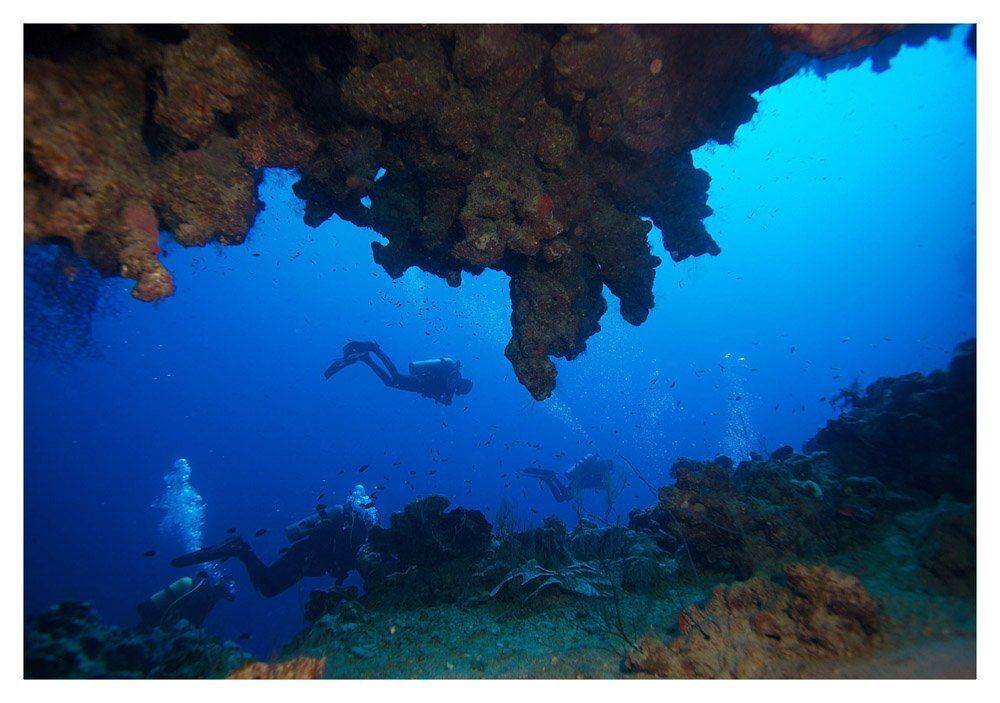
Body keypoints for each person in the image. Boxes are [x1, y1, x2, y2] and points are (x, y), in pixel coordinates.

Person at [170, 486, 376, 598]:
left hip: (303, 556)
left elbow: (339, 564)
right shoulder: (358, 538)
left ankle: (240, 550)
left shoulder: (352, 532)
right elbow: (344, 560)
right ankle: (240, 548)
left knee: (267, 586)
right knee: (268, 587)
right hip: (304, 559)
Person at [324, 340, 472, 405]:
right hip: (423, 382)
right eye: (462, 390)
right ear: (462, 386)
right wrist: (446, 399)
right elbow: (446, 386)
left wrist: (442, 398)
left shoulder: (454, 378)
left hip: (422, 385)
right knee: (395, 377)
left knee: (390, 382)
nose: (459, 392)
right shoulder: (455, 380)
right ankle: (375, 350)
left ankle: (366, 358)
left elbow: (437, 392)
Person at [136, 571, 235, 629]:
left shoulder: (205, 592)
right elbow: (190, 616)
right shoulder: (207, 596)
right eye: (226, 592)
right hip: (159, 617)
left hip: (156, 612)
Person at [524, 454, 618, 505]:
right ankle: (549, 478)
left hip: (578, 482)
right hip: (579, 482)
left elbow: (593, 482)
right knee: (561, 498)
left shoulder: (598, 467)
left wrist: (604, 487)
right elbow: (594, 483)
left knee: (563, 494)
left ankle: (550, 477)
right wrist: (606, 488)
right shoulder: (599, 471)